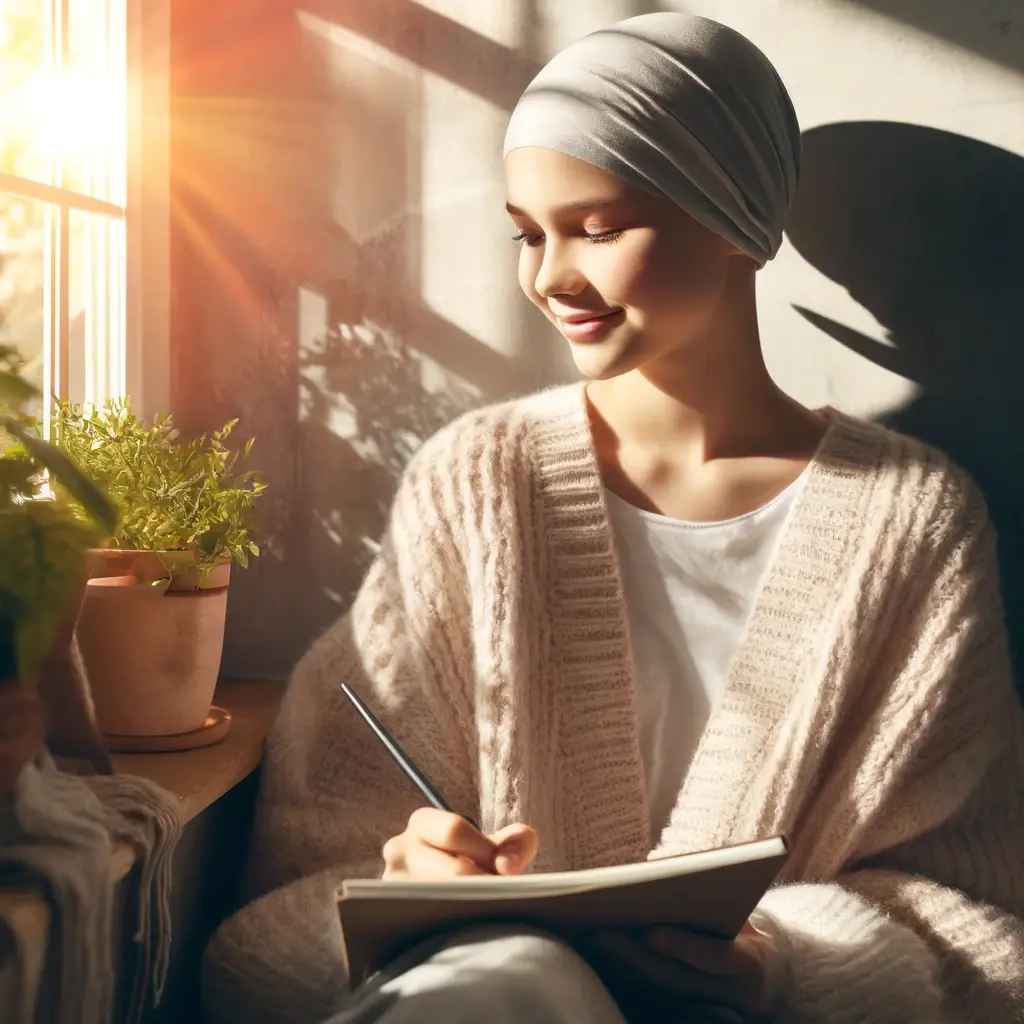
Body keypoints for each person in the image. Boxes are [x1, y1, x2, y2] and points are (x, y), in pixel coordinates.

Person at [202, 12, 1024, 1024]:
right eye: (527, 233)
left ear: (731, 219)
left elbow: (976, 929)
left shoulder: (914, 522)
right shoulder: (477, 483)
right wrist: (403, 891)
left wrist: (783, 963)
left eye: (596, 226)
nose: (551, 277)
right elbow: (264, 940)